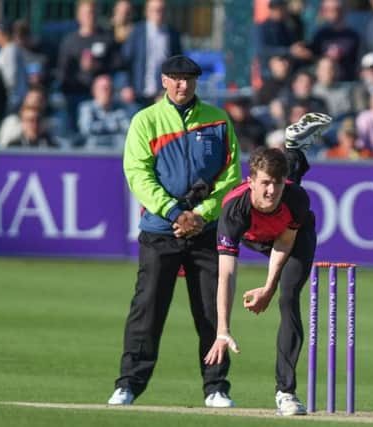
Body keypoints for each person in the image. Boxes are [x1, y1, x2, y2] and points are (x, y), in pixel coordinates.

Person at [108, 55, 242, 407]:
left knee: (213, 311)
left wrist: (201, 213)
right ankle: (129, 384)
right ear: (164, 80)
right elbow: (137, 174)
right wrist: (174, 212)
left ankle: (216, 387)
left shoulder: (217, 120)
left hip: (207, 230)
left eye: (189, 79)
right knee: (148, 308)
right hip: (160, 230)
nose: (183, 85)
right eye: (176, 79)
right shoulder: (146, 120)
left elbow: (230, 176)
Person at [203, 113, 331, 416]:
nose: (270, 191)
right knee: (290, 176)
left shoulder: (295, 198)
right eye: (264, 184)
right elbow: (226, 273)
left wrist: (269, 288)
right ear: (250, 182)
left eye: (275, 184)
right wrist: (223, 329)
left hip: (293, 238)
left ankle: (285, 392)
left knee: (288, 298)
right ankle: (293, 146)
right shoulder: (234, 209)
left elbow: (285, 242)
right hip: (255, 235)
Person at [122, 0, 182, 104]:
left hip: (161, 95)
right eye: (155, 10)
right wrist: (126, 85)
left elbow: (177, 64)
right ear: (147, 12)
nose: (159, 14)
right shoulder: (137, 32)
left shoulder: (172, 34)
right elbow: (126, 61)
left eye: (162, 10)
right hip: (138, 94)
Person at [0, 20, 28, 113]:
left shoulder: (10, 51)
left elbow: (10, 79)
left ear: (4, 34)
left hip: (12, 101)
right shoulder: (8, 50)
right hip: (11, 99)